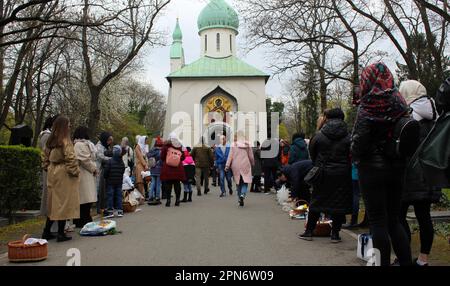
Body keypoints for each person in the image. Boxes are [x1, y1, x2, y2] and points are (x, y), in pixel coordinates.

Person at [351, 62, 412, 266]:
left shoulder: (367, 104)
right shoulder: (399, 101)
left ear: (367, 79)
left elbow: (359, 142)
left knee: (378, 221)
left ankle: (382, 263)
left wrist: (355, 154)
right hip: (397, 166)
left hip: (371, 169)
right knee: (394, 220)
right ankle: (405, 262)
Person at [398, 80, 439, 266]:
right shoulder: (435, 115)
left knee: (399, 217)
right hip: (429, 174)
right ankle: (423, 259)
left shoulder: (408, 116)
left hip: (408, 174)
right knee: (424, 217)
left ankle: (403, 256)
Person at [299, 108, 352, 244]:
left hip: (322, 172)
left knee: (316, 200)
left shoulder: (319, 135)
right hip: (342, 173)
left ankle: (309, 231)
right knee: (338, 202)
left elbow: (312, 153)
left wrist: (319, 163)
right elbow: (352, 153)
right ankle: (335, 234)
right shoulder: (348, 136)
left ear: (327, 118)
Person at [41, 116, 80, 242]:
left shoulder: (51, 141)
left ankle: (46, 231)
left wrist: (48, 167)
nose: (70, 127)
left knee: (53, 203)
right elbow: (71, 158)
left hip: (53, 172)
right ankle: (60, 233)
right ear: (64, 126)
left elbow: (44, 157)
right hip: (63, 173)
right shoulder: (65, 140)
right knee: (63, 202)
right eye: (68, 125)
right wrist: (74, 172)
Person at [73, 126, 98, 228]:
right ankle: (82, 219)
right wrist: (94, 168)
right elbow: (84, 160)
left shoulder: (86, 144)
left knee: (87, 198)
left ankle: (84, 218)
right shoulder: (78, 145)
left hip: (88, 173)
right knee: (84, 198)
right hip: (83, 173)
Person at [38, 115, 58, 227]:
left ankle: (56, 225)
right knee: (50, 197)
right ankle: (51, 226)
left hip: (54, 169)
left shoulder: (52, 135)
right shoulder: (46, 136)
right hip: (50, 169)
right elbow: (47, 153)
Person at [225, 132, 255, 207]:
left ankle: (239, 198)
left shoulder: (233, 145)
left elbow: (230, 156)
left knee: (238, 183)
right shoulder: (248, 145)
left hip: (236, 165)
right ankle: (242, 195)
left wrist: (227, 165)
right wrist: (252, 163)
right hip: (245, 164)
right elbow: (251, 156)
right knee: (245, 182)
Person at [160, 134, 186, 207]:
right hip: (178, 167)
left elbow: (162, 157)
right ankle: (177, 200)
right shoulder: (180, 146)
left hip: (168, 167)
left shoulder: (165, 146)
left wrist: (167, 160)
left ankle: (168, 200)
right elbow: (183, 157)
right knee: (177, 184)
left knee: (168, 184)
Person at [104, 145, 126, 218]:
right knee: (119, 196)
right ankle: (120, 211)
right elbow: (123, 170)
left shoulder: (109, 161)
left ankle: (110, 211)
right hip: (119, 182)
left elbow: (106, 172)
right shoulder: (121, 162)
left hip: (110, 182)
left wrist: (106, 177)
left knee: (110, 196)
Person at [95, 131, 113, 214]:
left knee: (104, 189)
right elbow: (101, 156)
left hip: (104, 170)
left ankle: (103, 206)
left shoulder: (106, 146)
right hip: (98, 169)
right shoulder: (98, 146)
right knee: (99, 189)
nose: (109, 142)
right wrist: (111, 160)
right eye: (108, 140)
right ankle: (98, 208)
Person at [147, 137, 164, 205]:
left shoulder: (151, 151)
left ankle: (150, 197)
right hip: (159, 169)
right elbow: (162, 161)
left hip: (152, 169)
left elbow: (147, 156)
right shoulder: (160, 152)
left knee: (153, 183)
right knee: (158, 184)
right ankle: (157, 197)